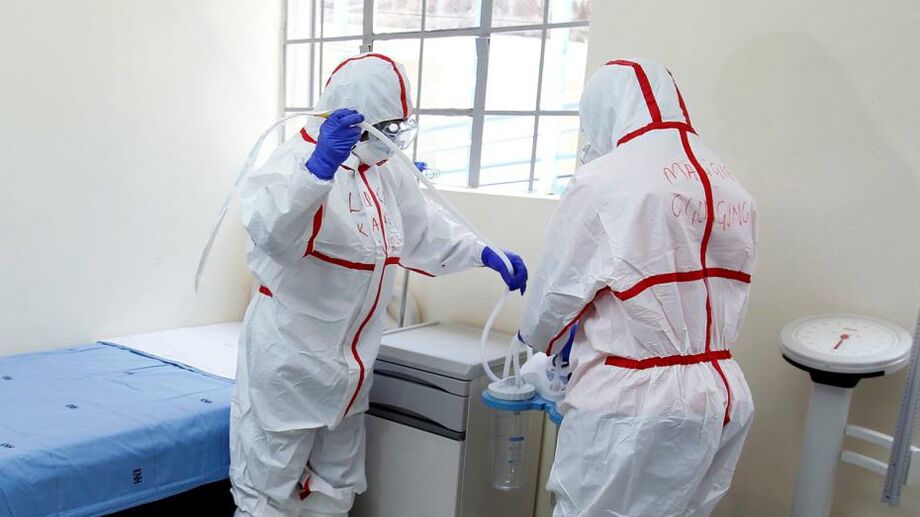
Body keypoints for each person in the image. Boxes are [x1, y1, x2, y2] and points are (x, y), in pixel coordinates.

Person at [229, 53, 528, 517]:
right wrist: (316, 172)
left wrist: (483, 252)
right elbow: (271, 232)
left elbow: (423, 230)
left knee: (336, 489)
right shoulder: (293, 161)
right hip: (289, 368)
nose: (395, 141)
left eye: (400, 128)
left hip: (350, 372)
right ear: (355, 116)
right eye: (387, 128)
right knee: (266, 496)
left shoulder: (381, 172)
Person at [517, 59, 757, 516]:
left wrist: (542, 348)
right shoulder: (727, 181)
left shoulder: (604, 181)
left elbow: (553, 299)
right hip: (722, 389)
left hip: (635, 400)